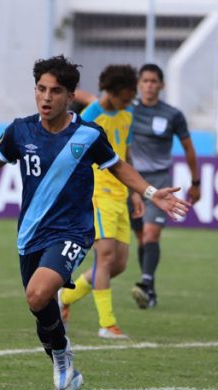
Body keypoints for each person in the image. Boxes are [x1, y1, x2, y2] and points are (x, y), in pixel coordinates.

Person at [0, 55, 189, 390]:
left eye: (55, 91)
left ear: (70, 97)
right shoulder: (20, 131)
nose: (46, 97)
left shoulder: (88, 134)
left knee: (38, 294)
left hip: (72, 231)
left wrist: (149, 192)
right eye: (40, 89)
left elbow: (119, 166)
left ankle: (66, 358)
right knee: (40, 307)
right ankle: (64, 360)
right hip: (30, 234)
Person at [59, 65, 140, 339]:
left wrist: (137, 192)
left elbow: (125, 153)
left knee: (118, 265)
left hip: (121, 195)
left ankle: (65, 298)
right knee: (104, 257)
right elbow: (72, 155)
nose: (129, 102)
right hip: (96, 193)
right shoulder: (90, 116)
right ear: (112, 92)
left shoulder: (127, 115)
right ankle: (107, 324)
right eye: (126, 97)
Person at [129, 63, 201, 309]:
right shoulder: (128, 110)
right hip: (132, 182)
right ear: (138, 84)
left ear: (162, 85)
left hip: (160, 182)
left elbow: (189, 148)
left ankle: (146, 283)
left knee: (151, 234)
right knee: (141, 238)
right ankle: (150, 289)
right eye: (145, 81)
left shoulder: (172, 114)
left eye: (153, 81)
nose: (149, 85)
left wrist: (196, 182)